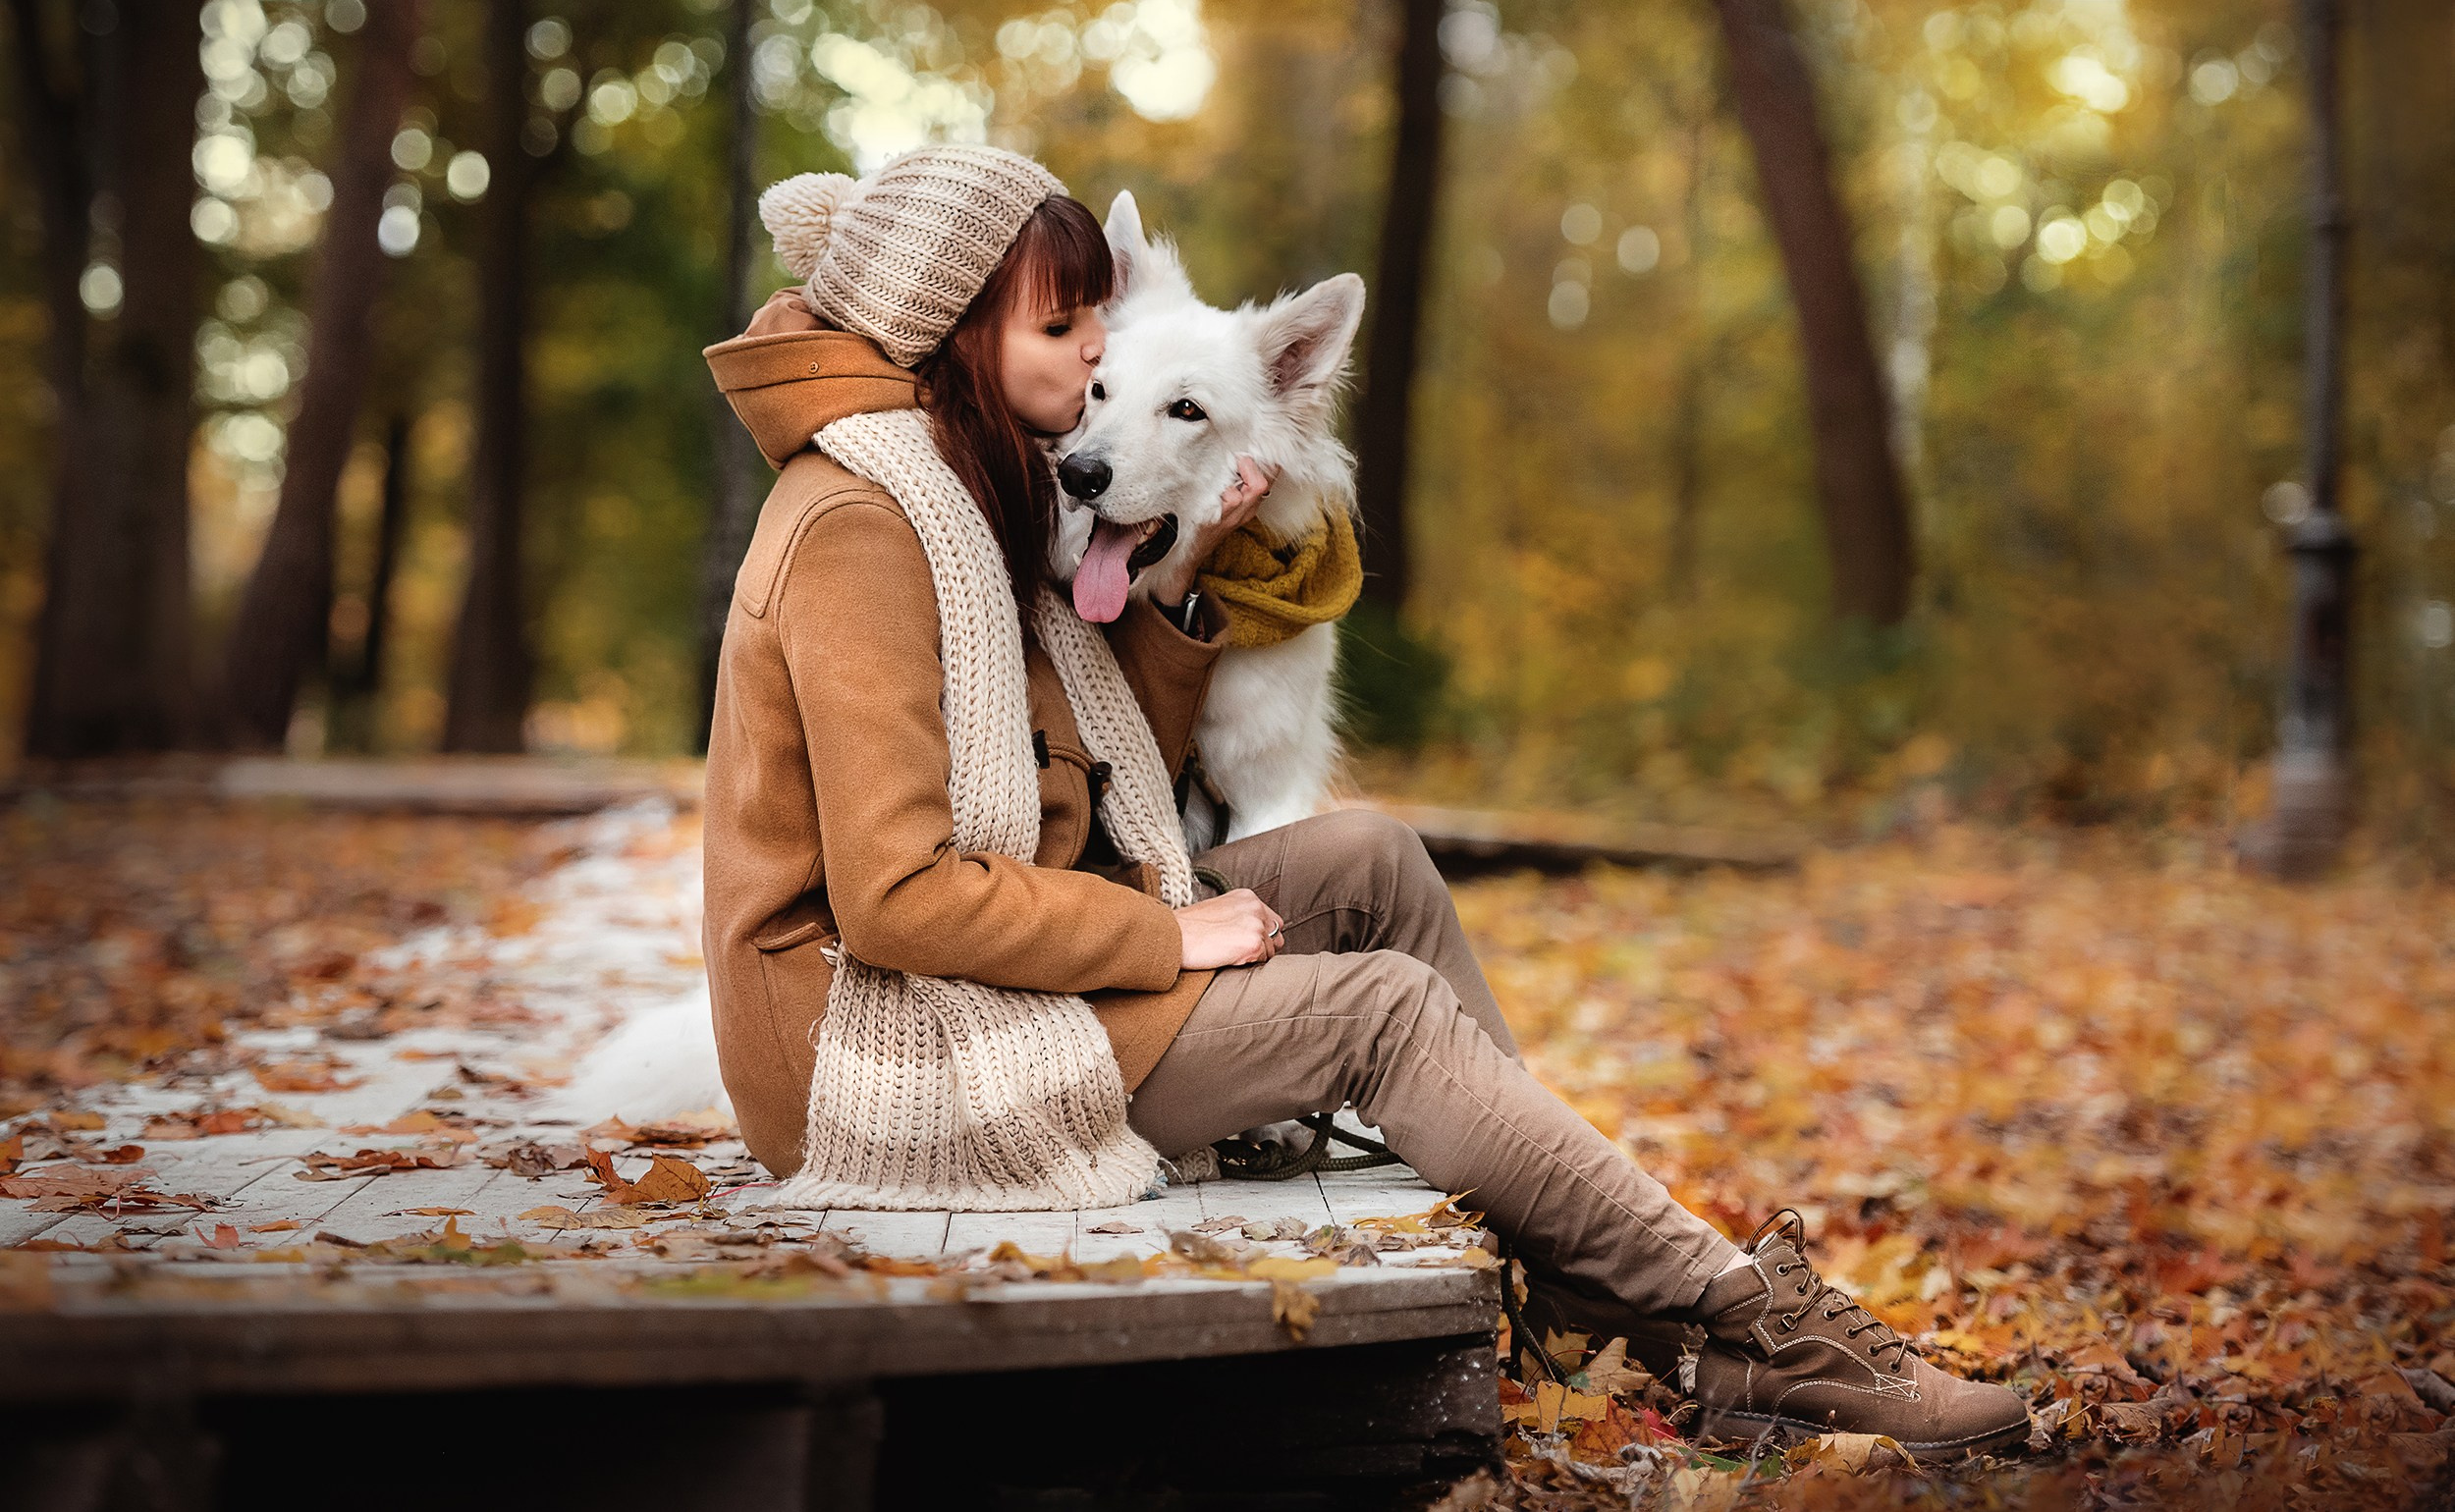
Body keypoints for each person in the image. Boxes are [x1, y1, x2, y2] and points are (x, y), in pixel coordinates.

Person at [698, 144, 2030, 1461]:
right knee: (1376, 1012)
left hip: (984, 986)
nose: (1100, 348)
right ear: (955, 330)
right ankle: (1738, 1325)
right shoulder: (866, 526)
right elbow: (896, 898)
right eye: (1064, 324)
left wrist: (1190, 569)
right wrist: (1172, 938)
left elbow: (1087, 779)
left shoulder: (972, 473)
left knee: (1371, 861)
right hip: (879, 1050)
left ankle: (1585, 1284)